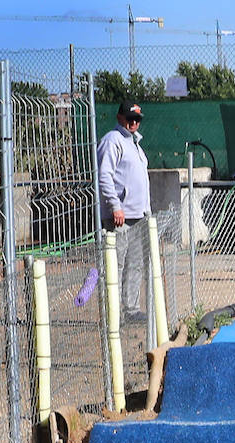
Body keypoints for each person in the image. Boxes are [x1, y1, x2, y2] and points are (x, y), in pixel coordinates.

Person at [96, 100, 150, 318]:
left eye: (137, 119)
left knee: (135, 265)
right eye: (130, 118)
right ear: (120, 118)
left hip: (138, 216)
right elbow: (104, 176)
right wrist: (115, 206)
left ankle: (131, 309)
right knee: (114, 267)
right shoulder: (112, 141)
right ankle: (112, 313)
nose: (134, 122)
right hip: (119, 217)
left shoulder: (135, 143)